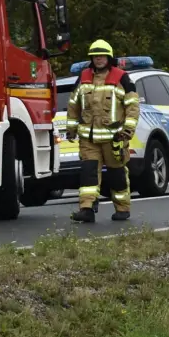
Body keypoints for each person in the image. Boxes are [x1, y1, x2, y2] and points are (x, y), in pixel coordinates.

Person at [64, 39, 140, 223]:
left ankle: (122, 208)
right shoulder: (84, 77)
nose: (98, 59)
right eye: (95, 56)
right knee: (88, 173)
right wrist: (71, 128)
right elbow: (73, 105)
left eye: (102, 55)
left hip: (114, 138)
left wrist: (128, 130)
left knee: (117, 175)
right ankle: (87, 209)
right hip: (88, 139)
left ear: (108, 57)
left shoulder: (121, 77)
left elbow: (132, 105)